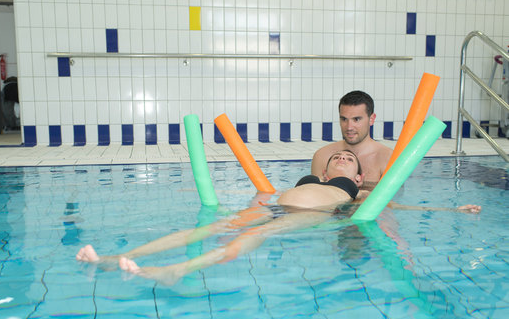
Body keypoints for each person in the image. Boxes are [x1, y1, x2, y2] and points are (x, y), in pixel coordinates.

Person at [76, 150, 481, 286]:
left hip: (312, 215)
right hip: (276, 203)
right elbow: (261, 193)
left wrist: (449, 209)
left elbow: (398, 207)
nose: (341, 157)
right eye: (336, 157)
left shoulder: (359, 192)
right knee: (202, 228)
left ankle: (177, 270)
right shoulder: (314, 177)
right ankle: (112, 259)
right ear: (325, 171)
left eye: (349, 159)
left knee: (252, 239)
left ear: (358, 175)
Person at [312, 90, 393, 190]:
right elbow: (315, 195)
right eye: (344, 119)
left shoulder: (388, 159)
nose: (349, 127)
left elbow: (393, 200)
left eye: (356, 119)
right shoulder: (322, 156)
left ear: (371, 119)